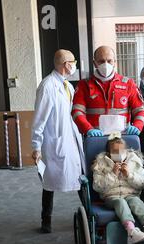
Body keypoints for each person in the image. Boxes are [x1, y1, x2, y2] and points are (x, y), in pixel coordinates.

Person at [31, 49, 85, 234]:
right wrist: (36, 146)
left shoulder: (67, 86)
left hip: (70, 139)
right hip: (53, 141)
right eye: (73, 62)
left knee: (80, 176)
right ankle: (46, 219)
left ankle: (90, 212)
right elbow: (39, 119)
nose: (75, 65)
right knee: (49, 181)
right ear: (66, 64)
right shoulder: (48, 86)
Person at [92, 132, 144, 244]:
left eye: (121, 151)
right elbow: (97, 186)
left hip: (131, 194)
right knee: (120, 202)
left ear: (126, 151)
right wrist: (113, 174)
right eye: (114, 152)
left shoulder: (133, 161)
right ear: (109, 153)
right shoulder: (101, 164)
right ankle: (132, 231)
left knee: (136, 201)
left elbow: (142, 183)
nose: (118, 154)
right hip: (111, 197)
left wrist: (129, 175)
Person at [72, 46, 144, 137]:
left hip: (122, 139)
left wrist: (137, 125)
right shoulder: (84, 85)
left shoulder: (128, 84)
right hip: (95, 138)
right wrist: (88, 129)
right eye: (101, 61)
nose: (106, 64)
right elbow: (77, 111)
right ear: (95, 63)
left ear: (115, 62)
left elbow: (140, 110)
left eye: (109, 61)